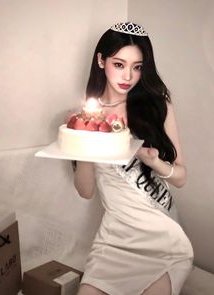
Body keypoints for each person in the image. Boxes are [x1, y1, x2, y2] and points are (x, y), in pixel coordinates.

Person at [74, 22, 193, 295]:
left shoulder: (157, 104)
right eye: (119, 64)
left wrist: (154, 161)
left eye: (137, 67)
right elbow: (85, 191)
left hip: (162, 239)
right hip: (114, 241)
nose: (128, 75)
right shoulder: (86, 118)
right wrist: (85, 144)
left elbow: (181, 178)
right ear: (101, 61)